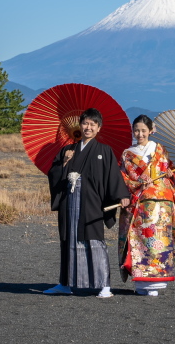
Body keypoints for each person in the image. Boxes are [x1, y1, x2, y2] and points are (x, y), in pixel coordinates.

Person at [44, 108, 130, 298]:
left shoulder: (104, 151)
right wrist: (63, 164)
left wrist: (121, 195)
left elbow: (112, 177)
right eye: (85, 123)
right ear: (80, 125)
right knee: (68, 240)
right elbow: (53, 175)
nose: (88, 127)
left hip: (91, 202)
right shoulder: (68, 150)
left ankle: (104, 285)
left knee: (94, 240)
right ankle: (65, 283)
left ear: (99, 128)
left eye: (93, 124)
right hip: (69, 202)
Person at [118, 114, 175, 296]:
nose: (140, 134)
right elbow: (124, 178)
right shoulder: (128, 154)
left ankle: (158, 281)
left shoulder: (159, 149)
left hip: (162, 205)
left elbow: (167, 170)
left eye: (143, 130)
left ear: (150, 131)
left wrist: (169, 172)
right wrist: (138, 183)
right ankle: (141, 283)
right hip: (140, 204)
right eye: (137, 130)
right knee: (140, 242)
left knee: (160, 242)